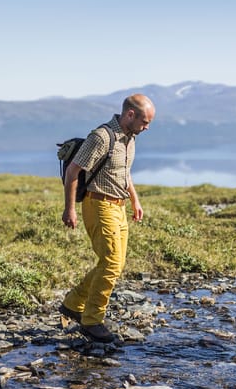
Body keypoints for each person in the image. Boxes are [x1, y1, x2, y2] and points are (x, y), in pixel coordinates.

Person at [59, 94, 155, 343]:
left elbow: (125, 172)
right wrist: (69, 209)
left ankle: (73, 303)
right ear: (130, 114)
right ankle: (92, 321)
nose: (147, 128)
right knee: (111, 263)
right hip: (98, 204)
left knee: (114, 263)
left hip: (119, 206)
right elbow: (73, 172)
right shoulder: (101, 137)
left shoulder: (130, 138)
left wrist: (135, 200)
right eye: (144, 122)